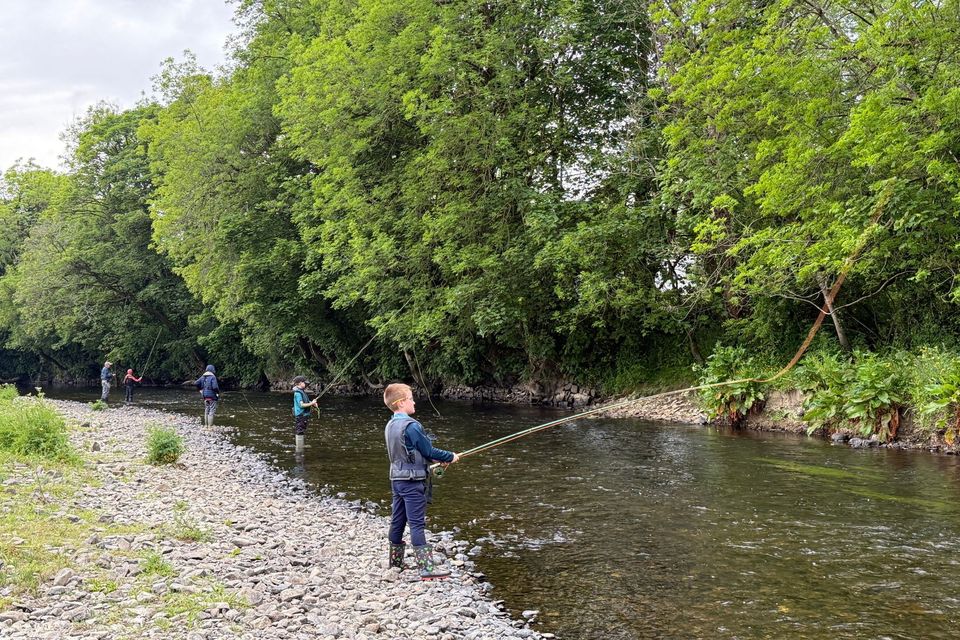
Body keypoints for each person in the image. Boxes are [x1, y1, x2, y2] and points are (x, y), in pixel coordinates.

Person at [383, 382, 459, 580]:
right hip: (412, 482)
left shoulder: (390, 424)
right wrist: (450, 456)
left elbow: (410, 451)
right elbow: (429, 451)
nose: (414, 401)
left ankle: (396, 564)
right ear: (400, 403)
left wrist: (436, 459)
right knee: (417, 524)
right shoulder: (412, 425)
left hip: (397, 480)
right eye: (410, 398)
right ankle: (426, 568)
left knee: (398, 520)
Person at [292, 375, 318, 451]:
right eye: (304, 383)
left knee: (301, 430)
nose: (306, 384)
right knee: (299, 431)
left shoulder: (301, 392)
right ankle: (299, 450)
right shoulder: (298, 393)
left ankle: (300, 448)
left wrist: (312, 403)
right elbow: (301, 405)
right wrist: (312, 403)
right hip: (301, 416)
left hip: (303, 416)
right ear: (300, 383)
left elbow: (305, 402)